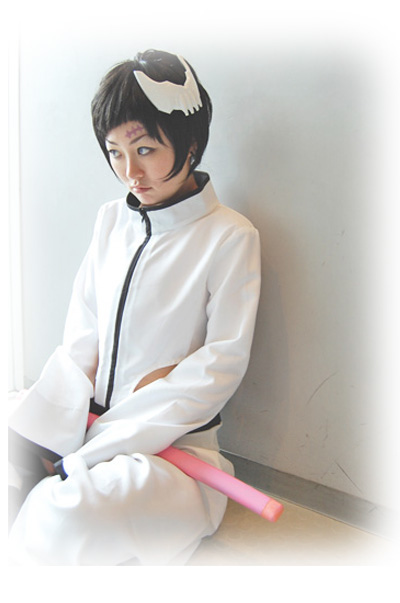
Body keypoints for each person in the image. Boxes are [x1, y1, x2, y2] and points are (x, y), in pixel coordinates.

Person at [8, 49, 261, 565]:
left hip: (170, 454)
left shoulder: (230, 237)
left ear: (190, 143)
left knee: (67, 512)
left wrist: (100, 446)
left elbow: (220, 366)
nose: (130, 172)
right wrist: (50, 437)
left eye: (145, 149)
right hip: (85, 429)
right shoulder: (110, 220)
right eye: (115, 152)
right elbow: (82, 338)